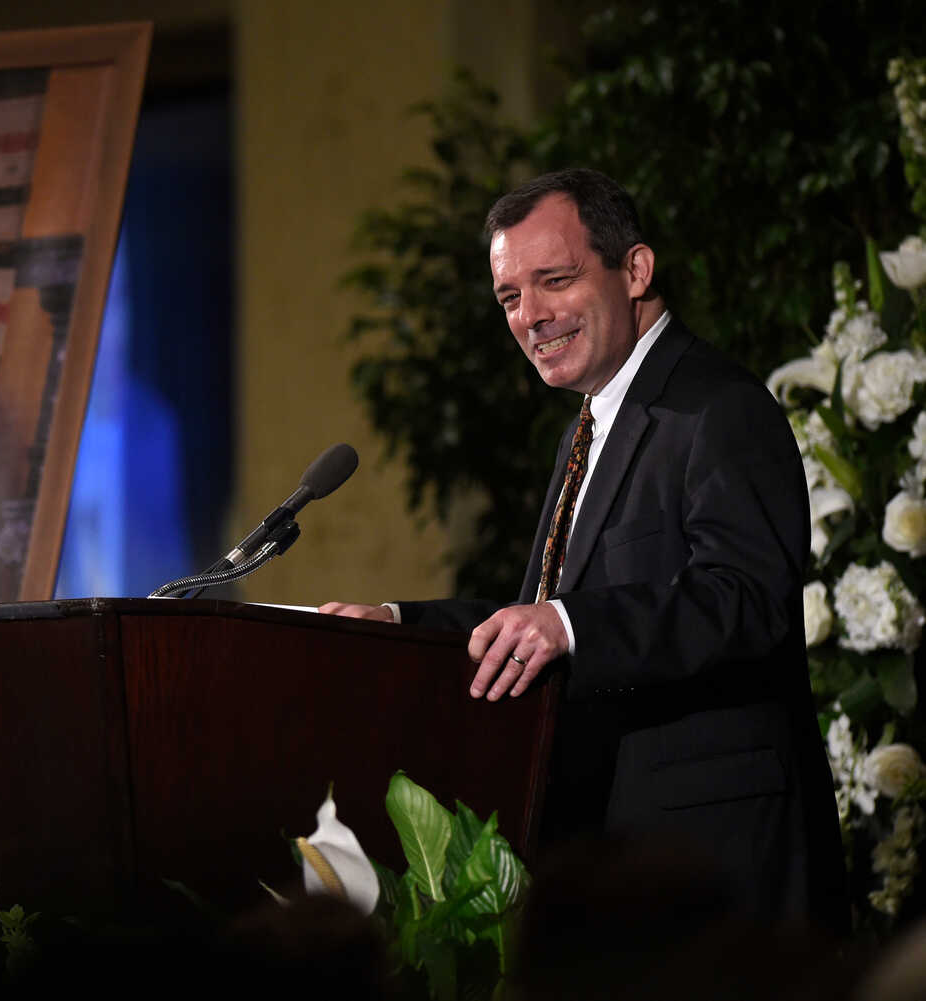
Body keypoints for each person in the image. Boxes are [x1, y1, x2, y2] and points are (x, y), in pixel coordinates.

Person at [321, 168, 847, 932]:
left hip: (713, 872)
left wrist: (570, 627)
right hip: (614, 867)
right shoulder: (588, 428)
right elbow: (540, 617)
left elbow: (747, 598)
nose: (530, 316)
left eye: (555, 281)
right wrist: (400, 623)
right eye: (509, 297)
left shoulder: (715, 407)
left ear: (635, 269)